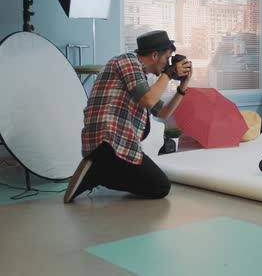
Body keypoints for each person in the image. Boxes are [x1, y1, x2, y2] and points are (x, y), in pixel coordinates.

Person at [64, 30, 192, 203]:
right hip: (109, 140)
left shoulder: (139, 76)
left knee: (158, 186)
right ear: (155, 55)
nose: (167, 63)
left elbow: (163, 113)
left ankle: (97, 172)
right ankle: (97, 173)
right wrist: (168, 75)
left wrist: (182, 88)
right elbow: (148, 100)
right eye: (167, 58)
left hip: (117, 143)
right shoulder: (126, 62)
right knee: (160, 186)